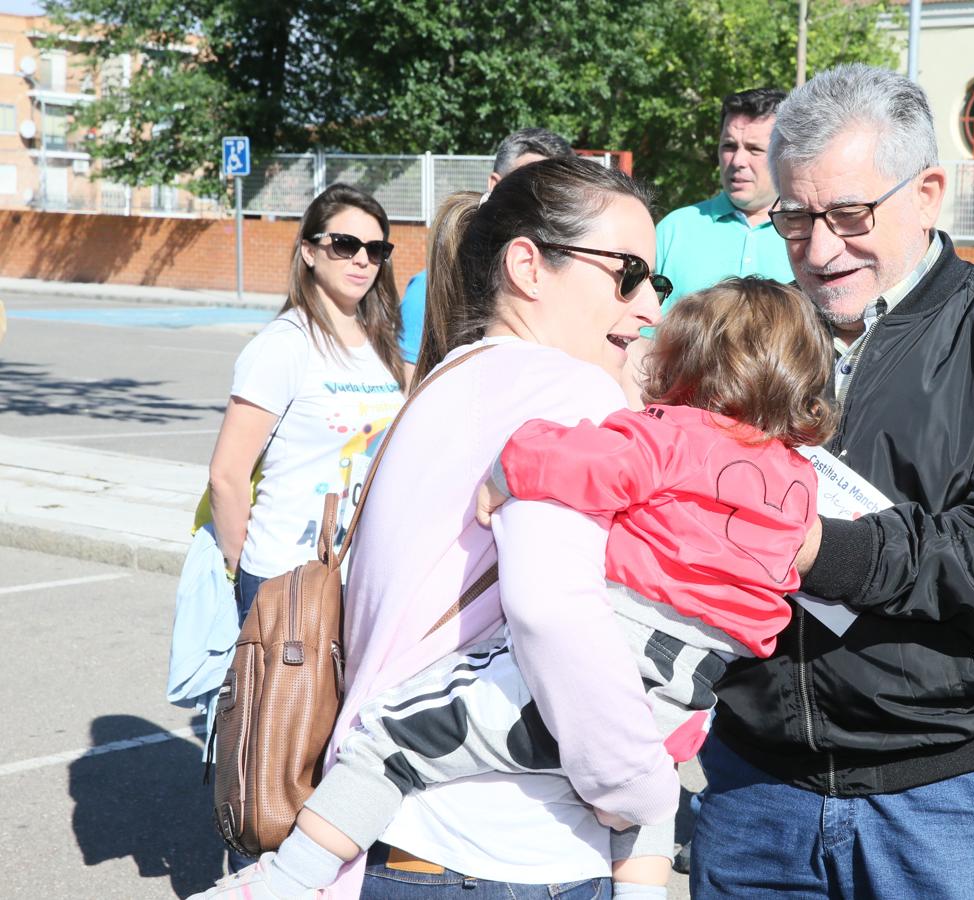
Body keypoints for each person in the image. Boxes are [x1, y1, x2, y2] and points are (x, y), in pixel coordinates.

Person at [189, 277, 835, 900]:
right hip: (686, 696)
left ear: (688, 362)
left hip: (578, 682)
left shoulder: (667, 439)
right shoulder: (802, 486)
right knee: (652, 804)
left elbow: (569, 462)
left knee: (387, 740)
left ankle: (286, 880)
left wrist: (507, 467)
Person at [191, 156, 683, 900]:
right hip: (508, 854)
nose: (648, 306)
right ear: (529, 265)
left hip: (391, 836)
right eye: (627, 273)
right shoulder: (577, 395)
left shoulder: (445, 378)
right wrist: (640, 787)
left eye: (658, 283)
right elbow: (556, 613)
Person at [689, 65, 974, 898]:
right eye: (795, 217)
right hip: (752, 785)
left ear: (927, 193)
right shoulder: (742, 331)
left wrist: (815, 549)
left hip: (944, 797)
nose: (818, 249)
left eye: (848, 215)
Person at [207, 181, 408, 632]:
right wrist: (245, 573)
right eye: (345, 244)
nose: (361, 259)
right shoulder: (285, 344)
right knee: (287, 705)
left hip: (359, 573)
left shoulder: (381, 345)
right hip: (286, 574)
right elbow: (226, 474)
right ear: (310, 251)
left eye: (375, 249)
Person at [398, 128, 575, 364]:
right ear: (494, 185)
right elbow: (414, 385)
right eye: (528, 184)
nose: (541, 202)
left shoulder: (573, 288)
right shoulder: (433, 288)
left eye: (556, 191)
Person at [654, 88, 794, 309]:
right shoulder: (673, 231)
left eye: (754, 149)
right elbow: (639, 334)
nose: (738, 160)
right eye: (729, 146)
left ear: (785, 154)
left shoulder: (807, 234)